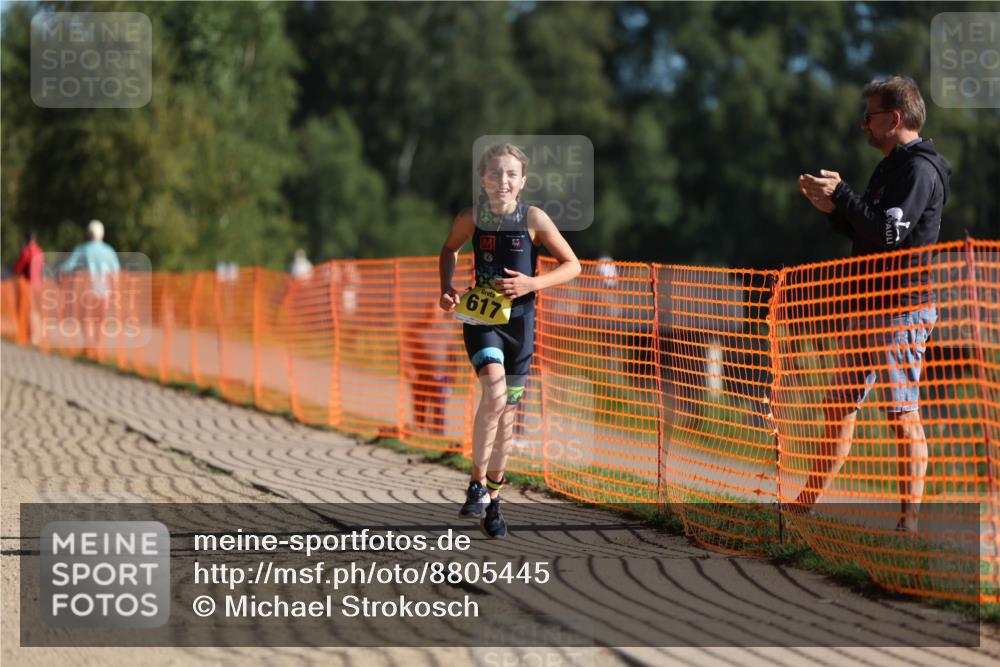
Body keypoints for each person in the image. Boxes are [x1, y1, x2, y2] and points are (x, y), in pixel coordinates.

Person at [796, 75, 951, 532]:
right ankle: (803, 505)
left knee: (902, 415)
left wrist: (842, 194)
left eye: (871, 115)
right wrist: (834, 212)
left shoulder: (919, 169)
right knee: (838, 406)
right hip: (868, 304)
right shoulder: (891, 166)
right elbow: (869, 230)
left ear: (895, 118)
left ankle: (909, 526)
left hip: (901, 307)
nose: (864, 124)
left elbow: (888, 232)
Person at [439, 143, 580, 538]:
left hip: (521, 325)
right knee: (495, 396)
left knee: (507, 420)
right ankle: (476, 483)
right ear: (482, 180)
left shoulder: (533, 218)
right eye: (495, 174)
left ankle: (495, 502)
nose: (503, 181)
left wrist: (532, 282)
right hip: (483, 320)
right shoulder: (470, 218)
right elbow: (449, 248)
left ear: (522, 182)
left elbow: (574, 265)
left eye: (511, 175)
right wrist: (446, 287)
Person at [61, 220, 121, 350]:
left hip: (86, 290)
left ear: (89, 233)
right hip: (104, 290)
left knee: (86, 318)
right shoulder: (109, 251)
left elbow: (67, 267)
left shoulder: (82, 249)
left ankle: (89, 345)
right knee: (101, 319)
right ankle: (98, 345)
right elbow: (115, 273)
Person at [13, 231, 44, 344]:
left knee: (27, 311)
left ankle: (29, 336)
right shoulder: (40, 251)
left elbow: (18, 268)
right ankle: (37, 336)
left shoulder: (27, 252)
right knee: (36, 311)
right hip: (38, 285)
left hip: (27, 285)